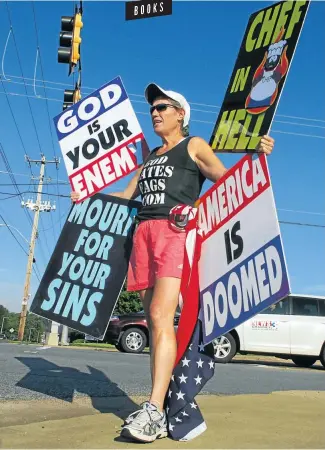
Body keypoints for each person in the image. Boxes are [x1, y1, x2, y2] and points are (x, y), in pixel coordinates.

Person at [71, 83, 274, 443]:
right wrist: (88, 197)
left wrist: (257, 156)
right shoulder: (149, 157)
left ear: (181, 114)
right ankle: (160, 404)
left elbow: (227, 181)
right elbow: (126, 195)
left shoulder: (192, 145)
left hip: (175, 232)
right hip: (143, 235)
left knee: (162, 316)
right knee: (153, 317)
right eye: (152, 107)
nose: (155, 111)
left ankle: (152, 409)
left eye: (163, 106)